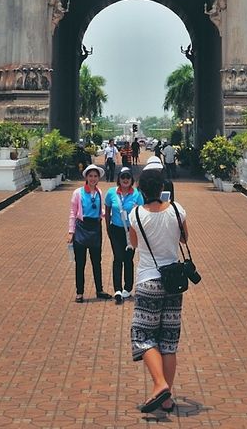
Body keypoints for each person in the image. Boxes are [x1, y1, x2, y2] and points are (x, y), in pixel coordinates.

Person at [129, 168, 188, 414]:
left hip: (148, 281)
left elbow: (134, 244)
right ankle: (166, 399)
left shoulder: (136, 214)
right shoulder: (177, 209)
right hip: (173, 283)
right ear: (161, 188)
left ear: (141, 190)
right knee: (168, 340)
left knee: (143, 336)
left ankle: (159, 383)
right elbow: (184, 239)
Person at [68, 164, 111, 303]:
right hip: (81, 228)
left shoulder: (99, 192)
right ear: (86, 177)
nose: (93, 178)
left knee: (96, 262)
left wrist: (108, 214)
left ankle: (99, 289)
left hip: (95, 229)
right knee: (80, 263)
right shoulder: (78, 193)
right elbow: (73, 213)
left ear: (98, 178)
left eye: (95, 176)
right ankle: (79, 292)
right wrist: (71, 231)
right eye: (90, 176)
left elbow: (99, 211)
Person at [105, 166, 144, 304]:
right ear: (119, 179)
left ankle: (128, 288)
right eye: (123, 177)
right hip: (116, 230)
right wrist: (108, 228)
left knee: (128, 259)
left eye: (128, 177)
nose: (125, 180)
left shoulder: (137, 194)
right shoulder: (111, 193)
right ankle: (117, 289)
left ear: (132, 179)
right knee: (118, 257)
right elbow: (108, 209)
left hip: (131, 230)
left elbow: (141, 212)